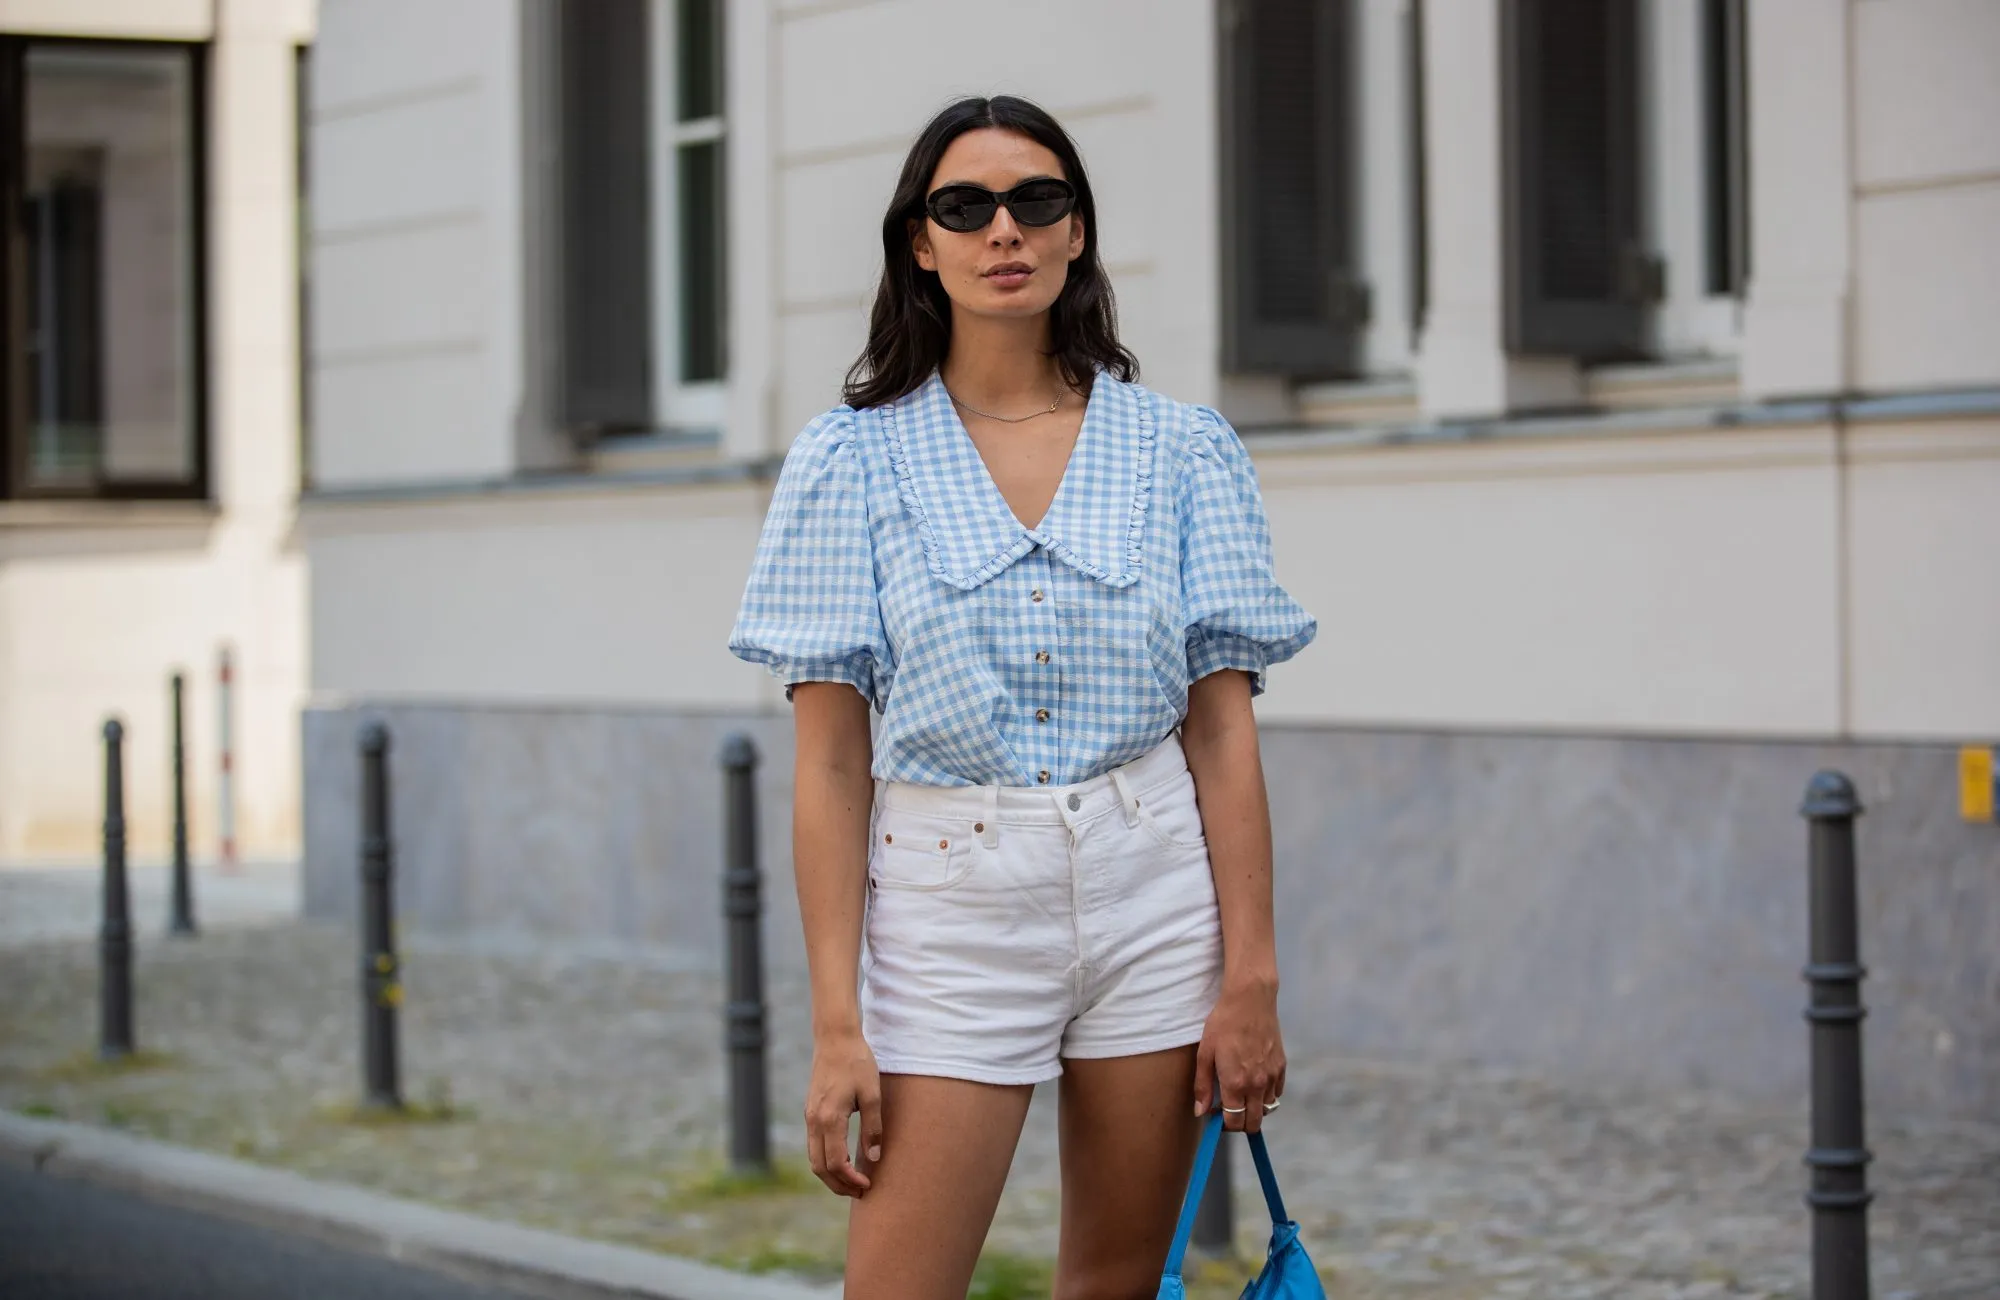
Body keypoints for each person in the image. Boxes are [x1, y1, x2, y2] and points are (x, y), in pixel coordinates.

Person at [728, 94, 1316, 1299]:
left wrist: (1249, 972)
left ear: (1076, 233)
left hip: (1151, 883)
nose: (1005, 229)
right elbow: (831, 761)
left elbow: (1220, 725)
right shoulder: (848, 459)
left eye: (1035, 200)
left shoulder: (1181, 449)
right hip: (950, 900)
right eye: (965, 205)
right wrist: (838, 1022)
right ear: (920, 243)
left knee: (1113, 1281)